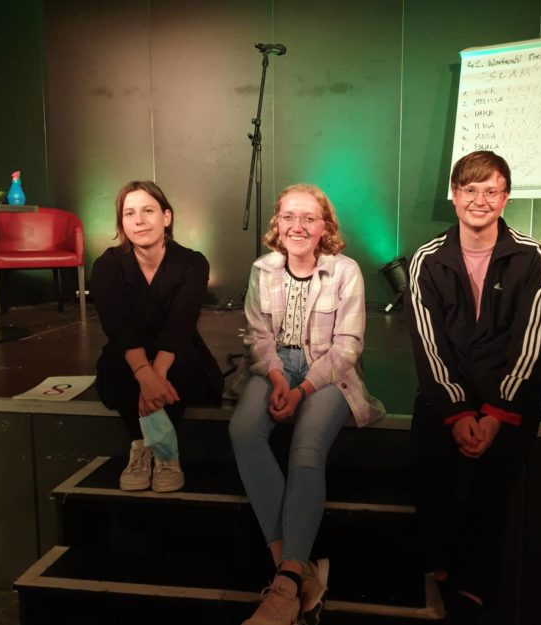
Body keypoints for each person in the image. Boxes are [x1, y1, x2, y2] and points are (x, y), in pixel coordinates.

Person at [404, 151, 541, 625]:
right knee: (429, 465)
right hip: (447, 390)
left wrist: (494, 414)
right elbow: (428, 345)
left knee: (492, 483)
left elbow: (531, 345)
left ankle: (473, 590)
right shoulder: (426, 260)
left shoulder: (532, 257)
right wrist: (457, 412)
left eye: (491, 191)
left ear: (506, 198)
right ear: (453, 195)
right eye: (469, 190)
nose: (480, 200)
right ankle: (439, 566)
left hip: (509, 394)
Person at [229, 183, 385, 625]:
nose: (297, 226)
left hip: (329, 371)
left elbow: (347, 347)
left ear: (324, 228)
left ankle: (283, 587)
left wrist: (301, 391)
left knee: (306, 448)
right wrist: (279, 378)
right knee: (243, 431)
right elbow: (258, 337)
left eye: (308, 218)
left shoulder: (345, 271)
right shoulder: (262, 270)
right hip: (275, 367)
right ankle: (297, 574)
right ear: (277, 224)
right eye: (288, 217)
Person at [91, 180, 224, 493]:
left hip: (176, 350)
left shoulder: (193, 262)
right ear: (122, 223)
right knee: (118, 368)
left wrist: (156, 376)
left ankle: (165, 453)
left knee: (182, 368)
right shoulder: (107, 265)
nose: (139, 220)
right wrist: (144, 373)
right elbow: (118, 327)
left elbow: (180, 325)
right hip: (128, 351)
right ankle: (141, 445)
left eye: (148, 211)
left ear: (166, 217)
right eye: (130, 213)